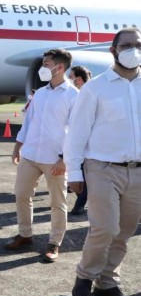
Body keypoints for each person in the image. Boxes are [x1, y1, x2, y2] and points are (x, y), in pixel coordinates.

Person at [66, 27, 141, 296]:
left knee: (124, 231)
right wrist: (74, 172)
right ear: (113, 50)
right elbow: (76, 133)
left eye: (138, 45)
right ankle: (85, 278)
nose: (134, 50)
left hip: (137, 170)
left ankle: (108, 283)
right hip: (102, 168)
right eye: (127, 45)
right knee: (105, 227)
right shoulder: (96, 87)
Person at [5, 49, 78, 263]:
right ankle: (25, 235)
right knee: (21, 194)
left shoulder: (73, 95)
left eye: (46, 64)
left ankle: (54, 243)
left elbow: (76, 130)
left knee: (57, 202)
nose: (42, 68)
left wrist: (64, 159)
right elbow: (28, 122)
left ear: (60, 67)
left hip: (55, 158)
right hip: (31, 154)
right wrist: (18, 146)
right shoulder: (41, 93)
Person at [67, 65, 92, 216]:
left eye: (71, 77)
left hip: (89, 146)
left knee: (84, 176)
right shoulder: (79, 94)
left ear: (79, 79)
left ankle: (80, 203)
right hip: (79, 144)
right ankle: (81, 201)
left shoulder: (88, 95)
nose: (69, 80)